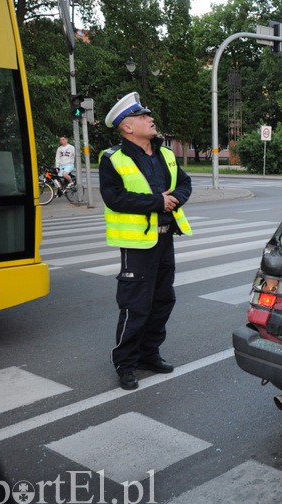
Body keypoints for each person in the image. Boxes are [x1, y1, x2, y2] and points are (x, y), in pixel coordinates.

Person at [100, 92, 192, 390]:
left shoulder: (165, 154)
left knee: (163, 300)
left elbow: (185, 183)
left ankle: (148, 354)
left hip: (165, 239)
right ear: (127, 126)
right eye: (143, 116)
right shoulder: (113, 158)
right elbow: (114, 197)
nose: (150, 119)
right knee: (135, 305)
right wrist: (157, 202)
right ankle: (125, 363)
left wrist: (174, 199)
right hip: (138, 244)